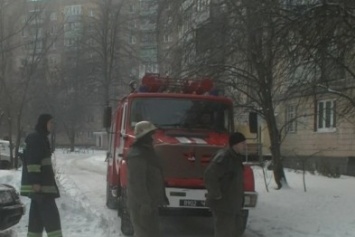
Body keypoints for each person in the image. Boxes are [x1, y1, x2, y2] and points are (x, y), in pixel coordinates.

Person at [20, 114, 62, 237]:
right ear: (44, 123)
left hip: (42, 187)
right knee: (52, 219)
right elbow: (33, 161)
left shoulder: (41, 137)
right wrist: (35, 182)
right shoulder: (36, 138)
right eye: (50, 123)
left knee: (36, 221)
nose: (52, 125)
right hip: (42, 188)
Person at [126, 121, 168, 237]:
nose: (153, 138)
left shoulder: (147, 152)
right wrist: (145, 204)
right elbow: (137, 183)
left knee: (152, 233)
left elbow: (154, 176)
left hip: (149, 204)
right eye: (151, 135)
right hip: (142, 206)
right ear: (144, 137)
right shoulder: (137, 155)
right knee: (144, 233)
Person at [204, 132, 247, 237]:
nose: (245, 146)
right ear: (235, 144)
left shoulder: (236, 158)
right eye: (243, 143)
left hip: (234, 206)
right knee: (224, 233)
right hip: (224, 206)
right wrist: (216, 194)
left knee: (237, 231)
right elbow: (209, 175)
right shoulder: (224, 157)